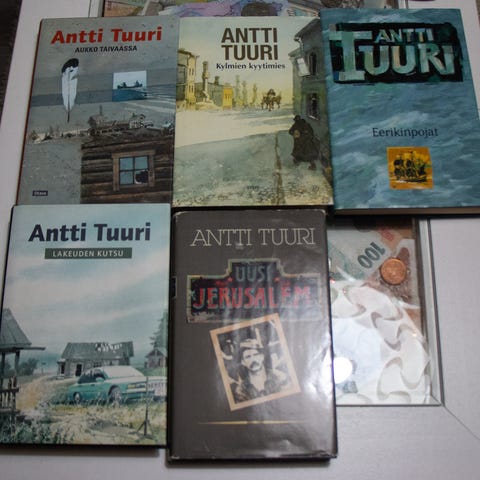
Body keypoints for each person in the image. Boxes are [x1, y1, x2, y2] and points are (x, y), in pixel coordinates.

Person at [232, 338, 288, 403]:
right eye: (248, 357)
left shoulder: (280, 378)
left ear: (262, 356)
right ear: (243, 362)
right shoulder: (241, 390)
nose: (253, 359)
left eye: (256, 355)